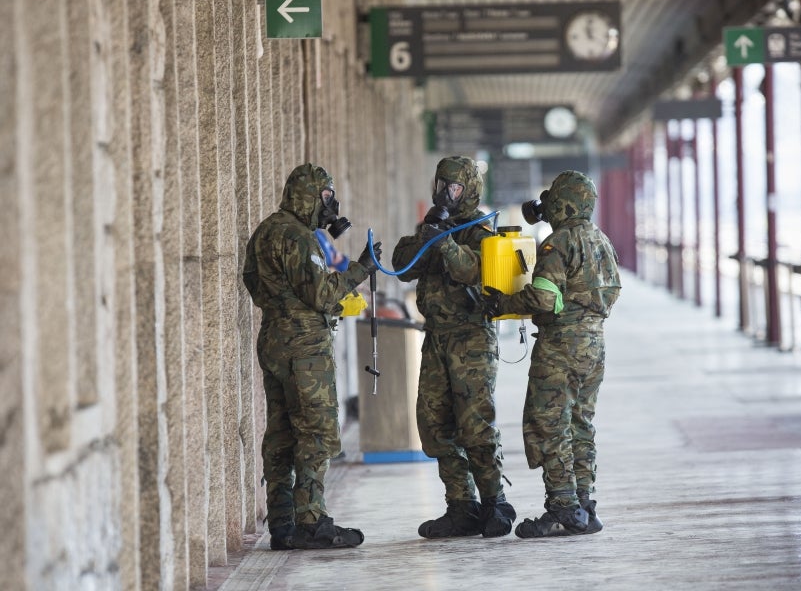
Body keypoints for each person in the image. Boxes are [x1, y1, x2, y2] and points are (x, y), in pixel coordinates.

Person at [242, 163, 382, 550]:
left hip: (273, 338)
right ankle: (311, 520)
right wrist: (360, 269)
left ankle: (282, 521)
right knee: (317, 430)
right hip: (304, 346)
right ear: (308, 195)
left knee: (283, 432)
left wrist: (281, 305)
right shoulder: (299, 238)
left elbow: (252, 281)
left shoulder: (266, 230)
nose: (330, 204)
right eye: (325, 196)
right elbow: (322, 294)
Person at [483, 170, 621, 538]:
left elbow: (544, 298)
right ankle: (583, 504)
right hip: (594, 345)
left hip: (561, 346)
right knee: (580, 422)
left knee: (550, 423)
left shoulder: (558, 243)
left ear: (562, 204)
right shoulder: (601, 240)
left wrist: (502, 303)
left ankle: (562, 508)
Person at [391, 156, 516, 538]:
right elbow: (402, 265)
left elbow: (470, 271)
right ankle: (461, 505)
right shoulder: (433, 227)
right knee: (435, 424)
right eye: (443, 185)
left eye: (456, 187)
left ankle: (495, 502)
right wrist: (426, 234)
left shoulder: (482, 231)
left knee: (475, 424)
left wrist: (443, 242)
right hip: (436, 339)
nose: (448, 193)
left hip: (471, 338)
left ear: (471, 190)